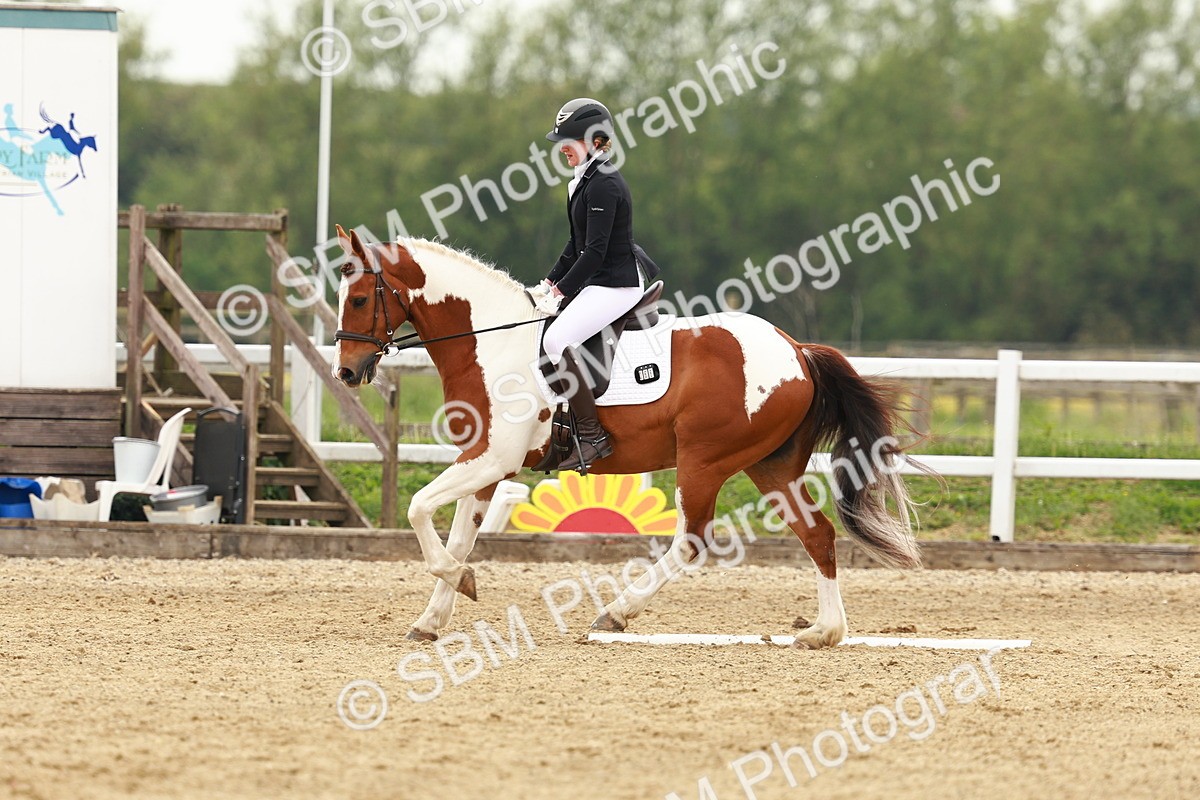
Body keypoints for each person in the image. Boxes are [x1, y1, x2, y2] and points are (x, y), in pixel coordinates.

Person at [533, 97, 645, 471]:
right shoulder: (582, 181)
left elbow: (595, 252)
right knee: (544, 330)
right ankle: (562, 427)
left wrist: (561, 291)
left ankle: (592, 435)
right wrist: (548, 282)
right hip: (598, 280)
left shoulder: (604, 184)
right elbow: (575, 243)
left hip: (617, 284)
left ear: (596, 141)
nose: (562, 148)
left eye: (570, 141)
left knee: (556, 340)